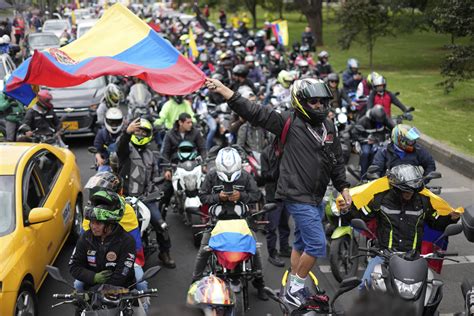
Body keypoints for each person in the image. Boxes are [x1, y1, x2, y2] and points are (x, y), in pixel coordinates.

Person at [204, 77, 352, 307]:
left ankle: (292, 289)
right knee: (317, 244)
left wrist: (343, 188)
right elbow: (254, 111)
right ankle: (295, 288)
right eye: (314, 101)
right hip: (297, 194)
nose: (320, 106)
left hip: (316, 196)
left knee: (301, 244)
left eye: (323, 101)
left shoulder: (328, 127)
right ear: (300, 101)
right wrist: (224, 90)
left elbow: (336, 161)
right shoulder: (287, 121)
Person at [343, 164, 460, 288]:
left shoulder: (423, 202)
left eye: (412, 190)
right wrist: (348, 210)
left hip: (414, 259)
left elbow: (436, 223)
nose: (409, 193)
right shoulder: (379, 200)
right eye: (405, 190)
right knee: (363, 286)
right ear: (395, 187)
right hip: (384, 256)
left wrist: (450, 219)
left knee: (430, 293)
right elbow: (361, 217)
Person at [193, 147, 268, 301]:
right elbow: (202, 196)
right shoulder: (211, 176)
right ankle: (195, 283)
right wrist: (217, 197)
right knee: (204, 251)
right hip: (216, 221)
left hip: (242, 221)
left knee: (255, 251)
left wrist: (241, 196)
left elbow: (257, 195)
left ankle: (260, 283)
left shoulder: (246, 176)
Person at [79, 172, 151, 310]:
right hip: (96, 259)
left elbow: (134, 247)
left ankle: (145, 310)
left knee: (141, 284)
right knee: (77, 286)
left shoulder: (126, 210)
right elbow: (85, 241)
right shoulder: (90, 211)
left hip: (123, 258)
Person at [117, 118, 176, 268]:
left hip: (146, 198)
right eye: (138, 131)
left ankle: (164, 253)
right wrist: (126, 133)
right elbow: (120, 148)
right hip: (126, 198)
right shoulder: (126, 150)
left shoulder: (152, 155)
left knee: (161, 225)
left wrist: (163, 179)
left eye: (144, 132)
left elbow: (155, 176)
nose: (140, 134)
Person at [69, 190, 136, 290]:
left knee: (142, 286)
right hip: (92, 284)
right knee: (77, 286)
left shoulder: (128, 241)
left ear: (111, 223)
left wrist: (95, 292)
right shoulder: (85, 238)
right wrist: (94, 277)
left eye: (98, 223)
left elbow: (121, 276)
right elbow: (74, 266)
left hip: (122, 290)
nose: (93, 227)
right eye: (91, 222)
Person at [261, 134, 291, 267]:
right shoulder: (266, 153)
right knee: (272, 227)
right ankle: (272, 254)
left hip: (287, 193)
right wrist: (278, 163)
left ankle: (284, 248)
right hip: (273, 195)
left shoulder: (290, 150)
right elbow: (265, 175)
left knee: (284, 224)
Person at [370, 124, 436, 178]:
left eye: (413, 140)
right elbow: (376, 168)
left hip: (413, 187)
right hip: (390, 187)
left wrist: (424, 181)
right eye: (409, 141)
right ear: (399, 139)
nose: (412, 143)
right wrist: (376, 178)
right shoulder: (384, 151)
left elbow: (430, 164)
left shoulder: (418, 149)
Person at [351, 105, 395, 180]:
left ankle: (382, 174)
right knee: (366, 153)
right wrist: (365, 140)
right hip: (366, 140)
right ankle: (363, 175)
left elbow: (394, 128)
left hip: (380, 140)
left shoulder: (383, 118)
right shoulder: (363, 120)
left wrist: (394, 135)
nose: (379, 122)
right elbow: (354, 133)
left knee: (384, 152)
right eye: (378, 121)